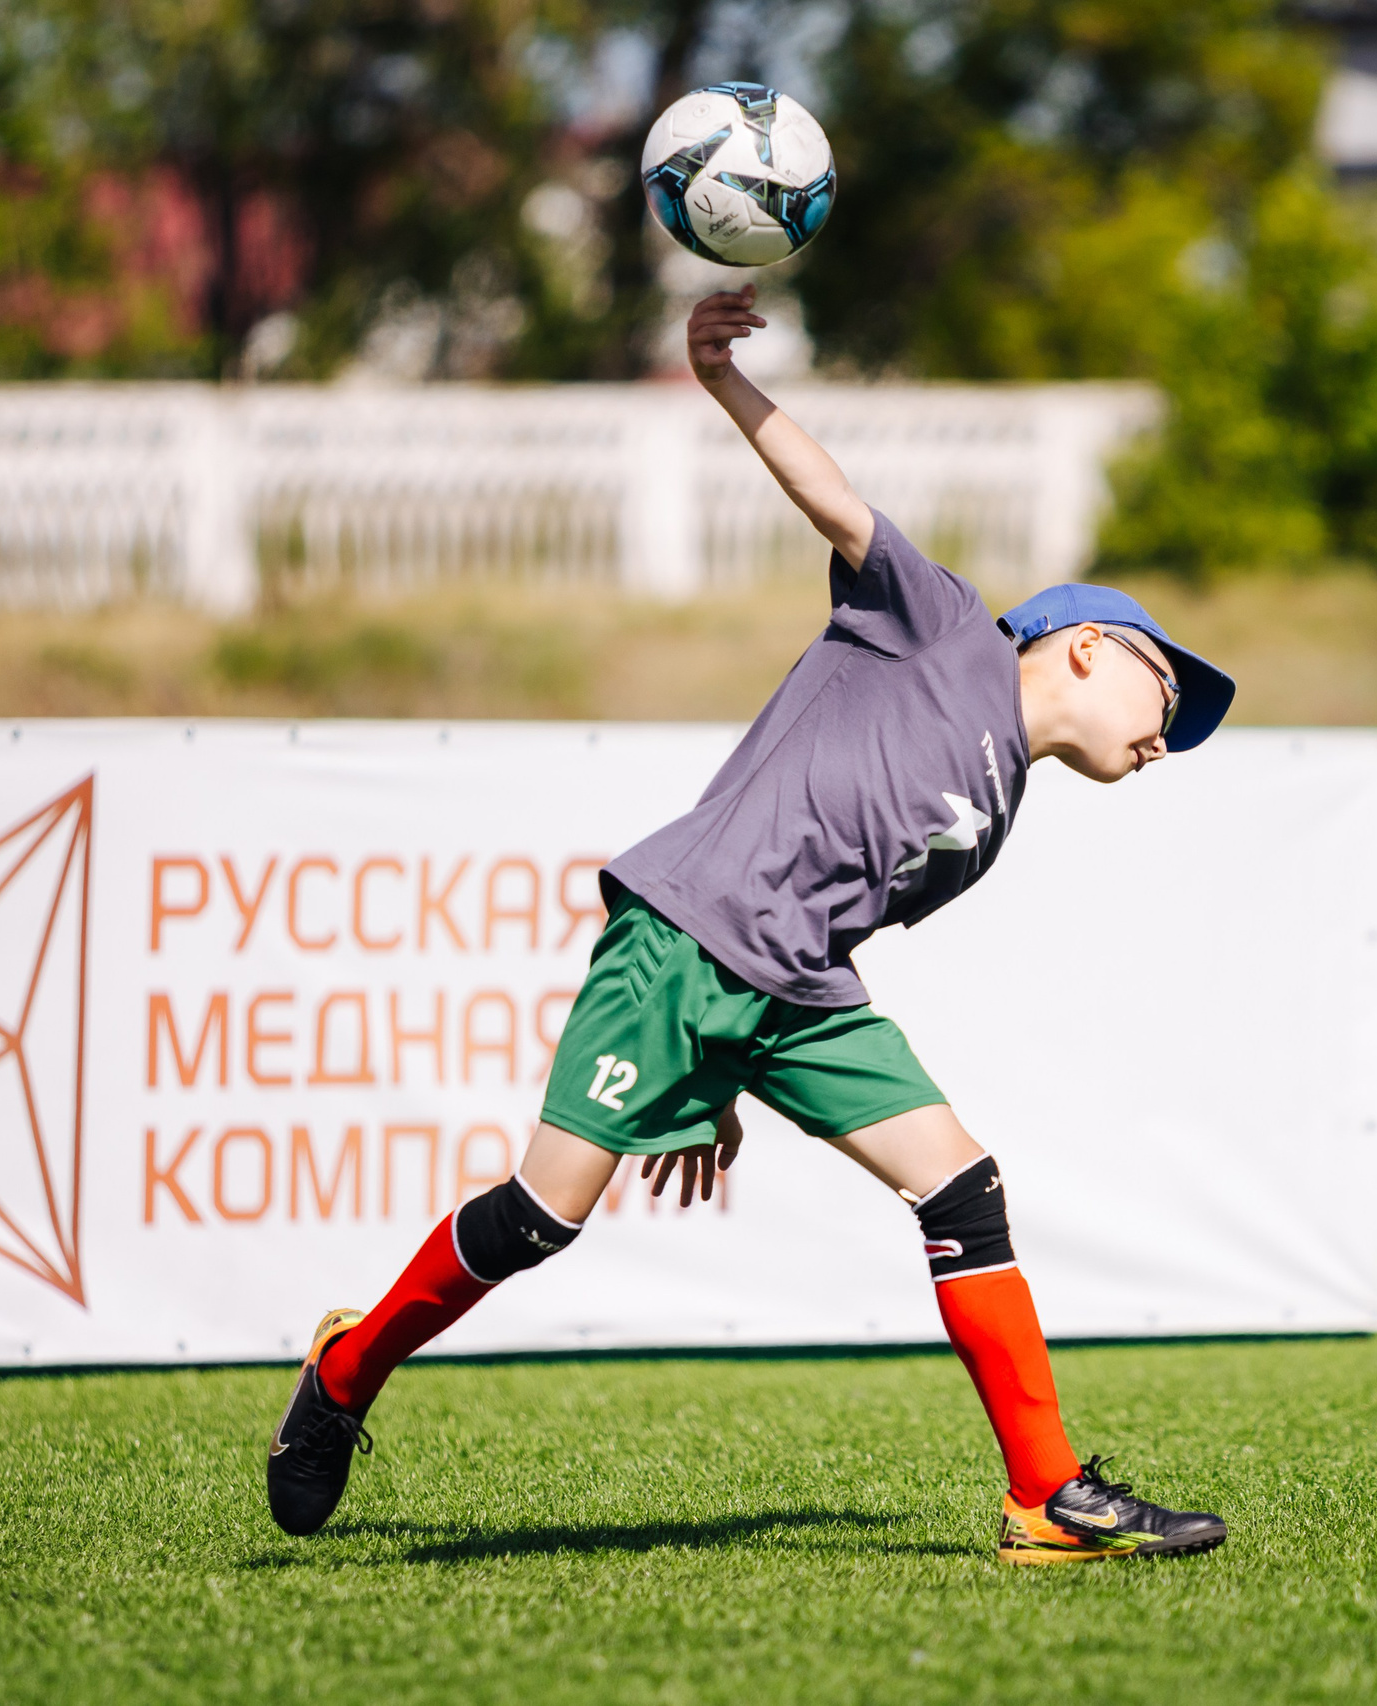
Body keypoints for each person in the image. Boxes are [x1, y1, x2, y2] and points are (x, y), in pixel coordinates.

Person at [266, 285, 1238, 1565]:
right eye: (1163, 684)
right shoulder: (941, 625)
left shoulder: (997, 815)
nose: (1165, 729)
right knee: (539, 1219)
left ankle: (1045, 1494)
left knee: (962, 1185)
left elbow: (827, 915)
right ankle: (346, 1370)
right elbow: (835, 499)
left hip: (790, 989)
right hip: (681, 938)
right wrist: (722, 379)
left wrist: (722, 1076)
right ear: (1080, 647)